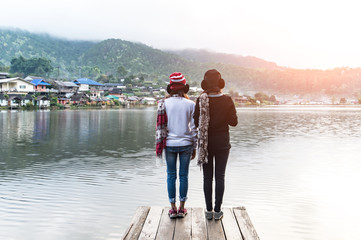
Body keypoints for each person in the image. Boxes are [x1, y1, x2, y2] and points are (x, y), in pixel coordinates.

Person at [194, 69, 238, 220]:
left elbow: (195, 122)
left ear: (205, 84)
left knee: (207, 177)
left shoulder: (201, 100)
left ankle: (208, 211)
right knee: (220, 176)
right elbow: (234, 122)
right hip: (222, 144)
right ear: (220, 84)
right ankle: (218, 211)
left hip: (206, 144)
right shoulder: (227, 100)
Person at [156, 72, 197, 219]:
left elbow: (161, 128)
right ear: (184, 88)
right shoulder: (191, 104)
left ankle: (172, 209)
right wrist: (194, 146)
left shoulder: (163, 104)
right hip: (186, 144)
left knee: (171, 176)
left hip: (170, 144)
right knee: (184, 176)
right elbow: (194, 128)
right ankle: (182, 208)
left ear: (171, 88)